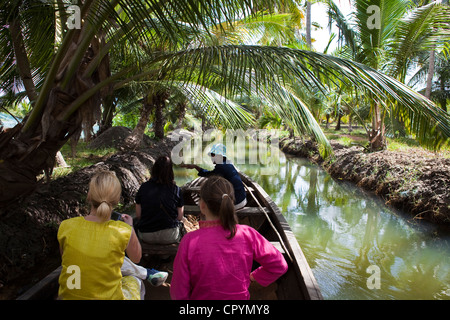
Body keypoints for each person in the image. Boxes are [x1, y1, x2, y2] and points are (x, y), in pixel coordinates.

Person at [170, 176, 288, 300]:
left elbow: (178, 292)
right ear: (231, 204)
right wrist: (253, 276)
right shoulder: (248, 233)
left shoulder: (189, 241)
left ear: (202, 205)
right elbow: (279, 265)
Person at [57, 171, 167, 300]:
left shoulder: (66, 226)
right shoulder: (123, 230)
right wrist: (130, 228)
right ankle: (146, 274)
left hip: (68, 296)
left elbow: (66, 257)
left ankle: (147, 274)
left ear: (89, 195)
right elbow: (136, 258)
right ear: (117, 200)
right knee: (135, 281)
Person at [181, 143, 247, 210]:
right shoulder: (227, 163)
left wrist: (195, 167)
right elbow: (211, 174)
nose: (212, 157)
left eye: (214, 155)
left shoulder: (221, 167)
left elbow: (209, 175)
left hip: (236, 203)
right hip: (243, 199)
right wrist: (196, 167)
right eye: (212, 155)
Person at [135, 156, 185, 244]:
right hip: (170, 236)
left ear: (154, 169)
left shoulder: (143, 187)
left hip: (147, 235)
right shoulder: (176, 189)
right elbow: (180, 217)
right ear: (170, 171)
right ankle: (166, 256)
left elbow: (139, 216)